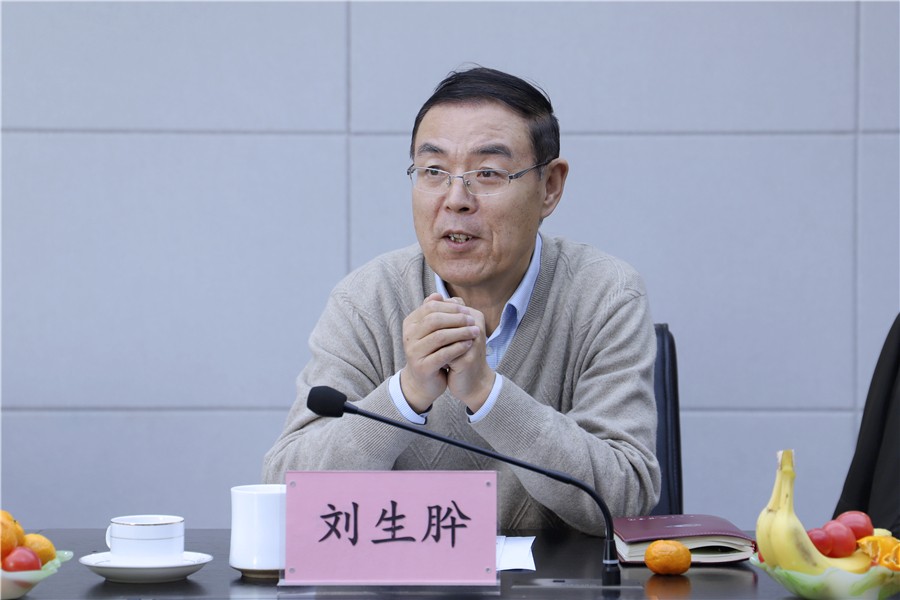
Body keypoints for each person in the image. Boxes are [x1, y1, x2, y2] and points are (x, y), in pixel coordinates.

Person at [262, 66, 660, 535]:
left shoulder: (604, 295)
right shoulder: (366, 300)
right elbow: (285, 491)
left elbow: (625, 500)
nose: (456, 199)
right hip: (403, 575)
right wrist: (406, 394)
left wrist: (487, 394)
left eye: (487, 173)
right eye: (433, 171)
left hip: (558, 576)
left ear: (550, 187)